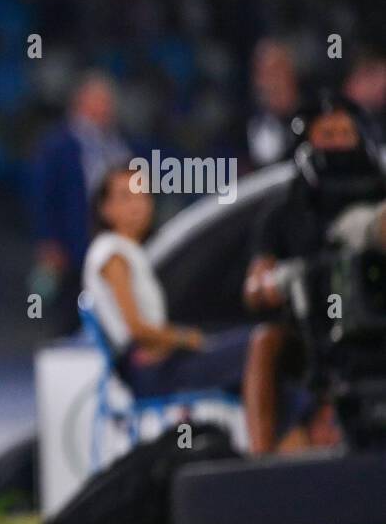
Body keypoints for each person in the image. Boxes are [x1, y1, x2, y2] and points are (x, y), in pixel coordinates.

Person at [82, 166, 277, 450]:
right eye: (125, 197)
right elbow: (135, 328)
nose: (137, 205)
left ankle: (268, 445)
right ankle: (271, 450)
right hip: (152, 371)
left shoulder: (127, 250)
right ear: (105, 208)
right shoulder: (113, 255)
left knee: (258, 355)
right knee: (261, 344)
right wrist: (186, 339)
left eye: (141, 195)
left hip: (158, 360)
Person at [243, 92, 384, 452]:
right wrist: (272, 283)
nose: (337, 143)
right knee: (265, 341)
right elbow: (256, 281)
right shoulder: (282, 211)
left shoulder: (378, 195)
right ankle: (261, 456)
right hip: (311, 328)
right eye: (327, 134)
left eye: (344, 133)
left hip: (377, 315)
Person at [31, 72, 131, 333]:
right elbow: (44, 195)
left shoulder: (117, 143)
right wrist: (49, 240)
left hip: (112, 238)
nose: (106, 108)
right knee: (71, 307)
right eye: (99, 101)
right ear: (80, 103)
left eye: (108, 102)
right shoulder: (58, 146)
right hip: (74, 241)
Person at [247, 38, 301, 168]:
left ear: (291, 73)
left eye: (276, 71)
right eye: (264, 74)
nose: (271, 82)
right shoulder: (250, 125)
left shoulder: (313, 115)